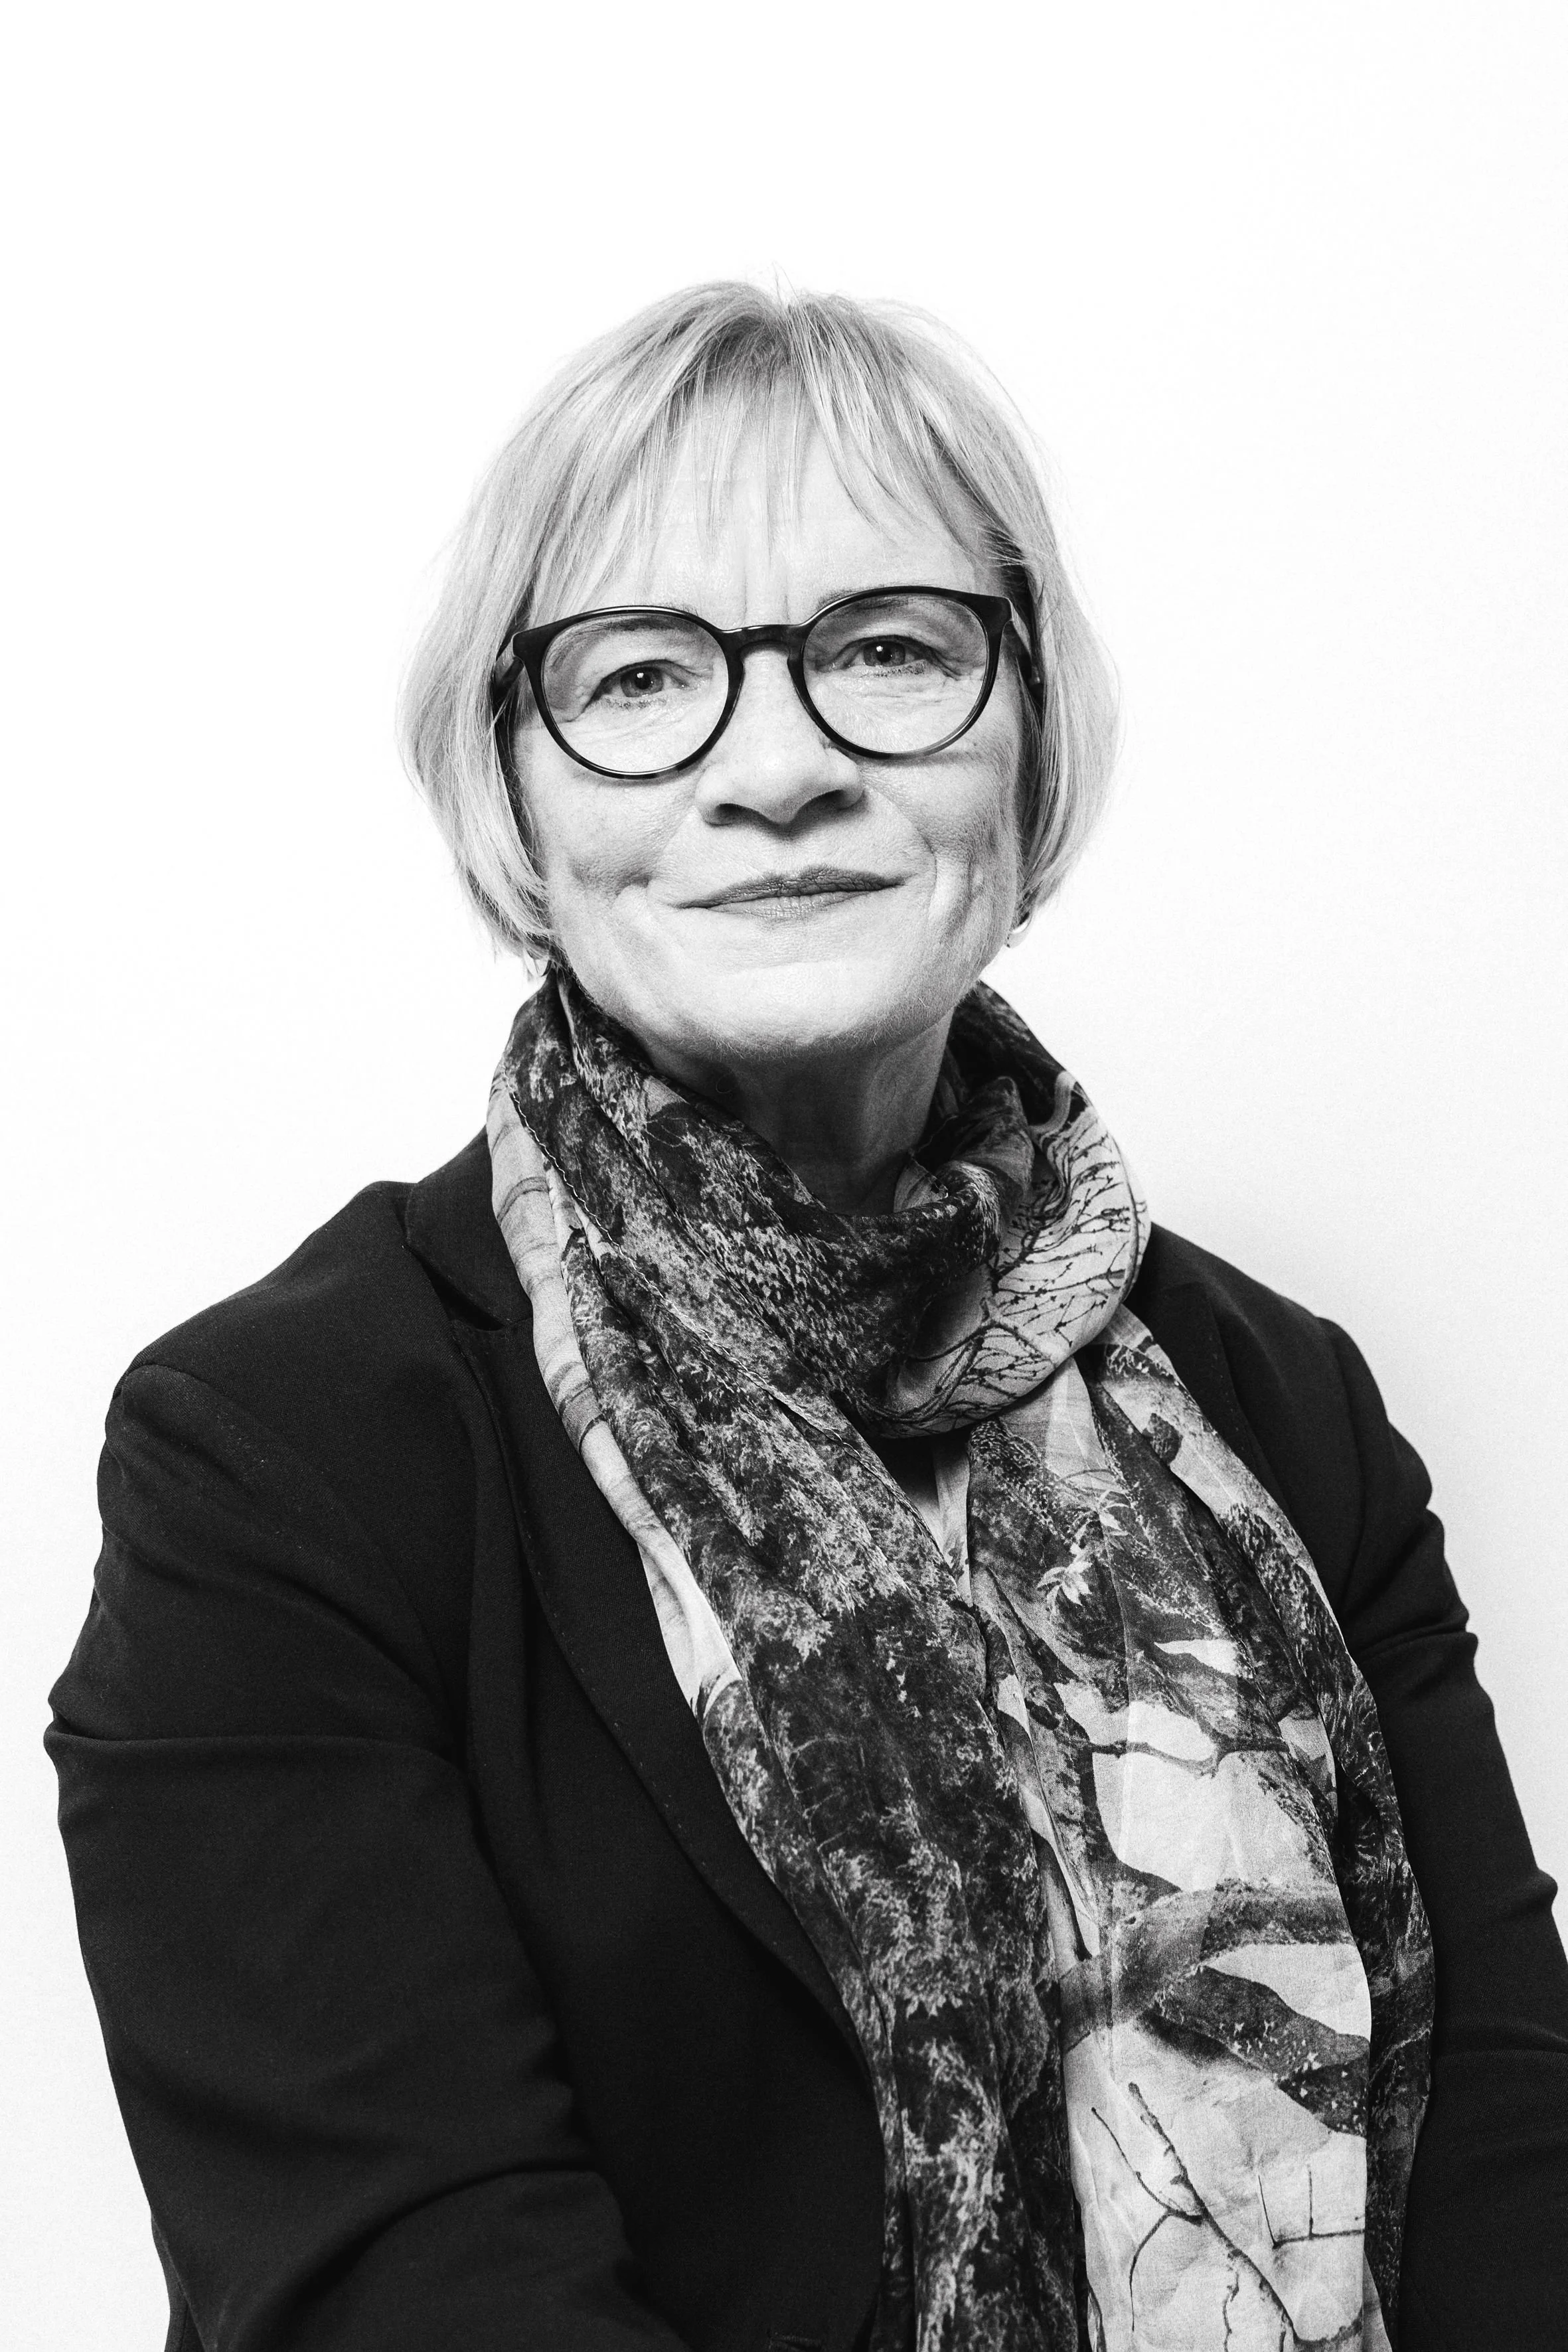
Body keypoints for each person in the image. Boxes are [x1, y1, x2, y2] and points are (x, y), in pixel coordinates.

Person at [48, 283, 1568, 2352]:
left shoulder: (1281, 1400)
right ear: (515, 795)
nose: (780, 765)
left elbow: (1511, 2154)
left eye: (887, 651)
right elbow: (408, 2283)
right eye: (644, 675)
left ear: (1029, 746)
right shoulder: (283, 1454)